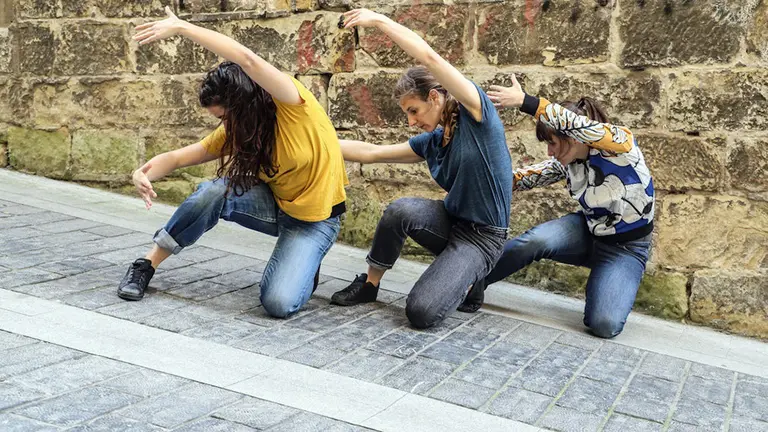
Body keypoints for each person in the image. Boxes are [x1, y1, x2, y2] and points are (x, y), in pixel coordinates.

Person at [116, 7, 348, 318]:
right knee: (213, 191)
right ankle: (146, 264)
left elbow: (247, 60)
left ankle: (307, 262)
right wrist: (143, 172)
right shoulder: (242, 129)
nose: (223, 124)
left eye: (225, 116)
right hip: (275, 206)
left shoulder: (293, 104)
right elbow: (182, 156)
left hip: (316, 221)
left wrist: (183, 28)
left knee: (279, 303)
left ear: (243, 104)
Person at [329, 9, 513, 329]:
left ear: (435, 97)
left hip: (483, 238)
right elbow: (371, 153)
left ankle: (471, 278)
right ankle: (370, 284)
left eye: (414, 110)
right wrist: (315, 140)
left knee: (421, 311)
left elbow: (430, 58)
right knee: (400, 210)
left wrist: (380, 21)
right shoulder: (433, 141)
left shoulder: (477, 117)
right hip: (451, 222)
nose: (411, 121)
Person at [458, 75, 655, 339]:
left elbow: (578, 125)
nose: (550, 152)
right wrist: (476, 181)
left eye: (552, 143)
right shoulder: (568, 162)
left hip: (626, 248)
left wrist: (525, 101)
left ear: (574, 137)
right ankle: (468, 283)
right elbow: (523, 178)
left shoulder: (621, 144)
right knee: (535, 241)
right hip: (587, 232)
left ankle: (610, 278)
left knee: (604, 324)